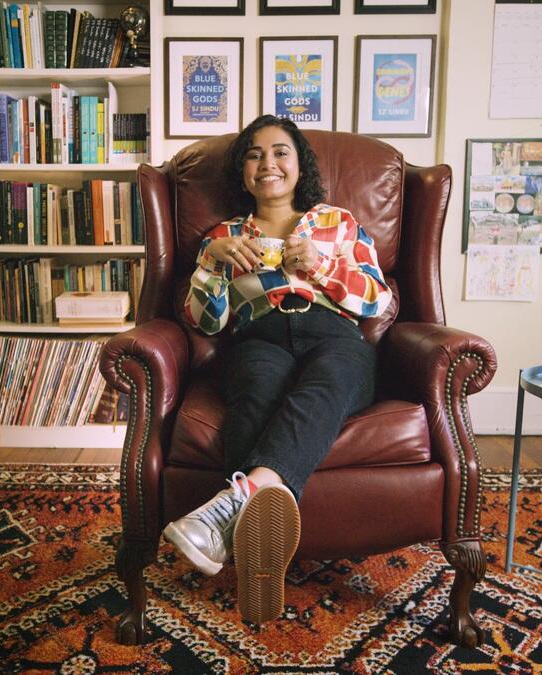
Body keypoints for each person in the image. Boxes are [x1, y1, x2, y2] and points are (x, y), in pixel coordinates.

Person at [162, 115, 392, 624]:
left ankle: (231, 511)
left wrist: (323, 266)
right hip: (257, 335)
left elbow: (378, 300)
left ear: (299, 163)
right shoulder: (222, 236)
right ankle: (256, 544)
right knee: (257, 391)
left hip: (333, 332)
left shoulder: (337, 223)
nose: (268, 163)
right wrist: (212, 265)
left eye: (280, 151)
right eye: (254, 154)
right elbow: (205, 321)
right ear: (243, 172)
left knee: (328, 381)